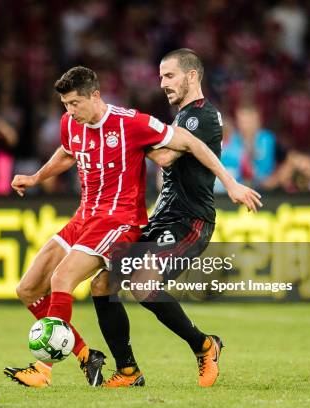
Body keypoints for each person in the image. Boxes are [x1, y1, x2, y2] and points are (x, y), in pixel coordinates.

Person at [4, 65, 261, 388]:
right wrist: (36, 177)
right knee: (28, 288)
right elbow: (68, 152)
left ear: (95, 96)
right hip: (85, 217)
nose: (70, 112)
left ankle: (44, 370)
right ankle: (94, 359)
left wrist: (231, 184)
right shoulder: (71, 123)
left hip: (119, 219)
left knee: (64, 278)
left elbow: (190, 143)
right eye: (65, 105)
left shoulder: (131, 123)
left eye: (75, 104)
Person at [90, 48, 249, 388]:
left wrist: (126, 132)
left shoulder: (200, 117)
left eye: (169, 75)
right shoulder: (180, 118)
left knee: (143, 282)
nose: (162, 83)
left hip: (190, 222)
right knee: (103, 283)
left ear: (192, 76)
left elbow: (163, 156)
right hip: (163, 217)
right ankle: (128, 370)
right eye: (161, 76)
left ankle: (205, 346)